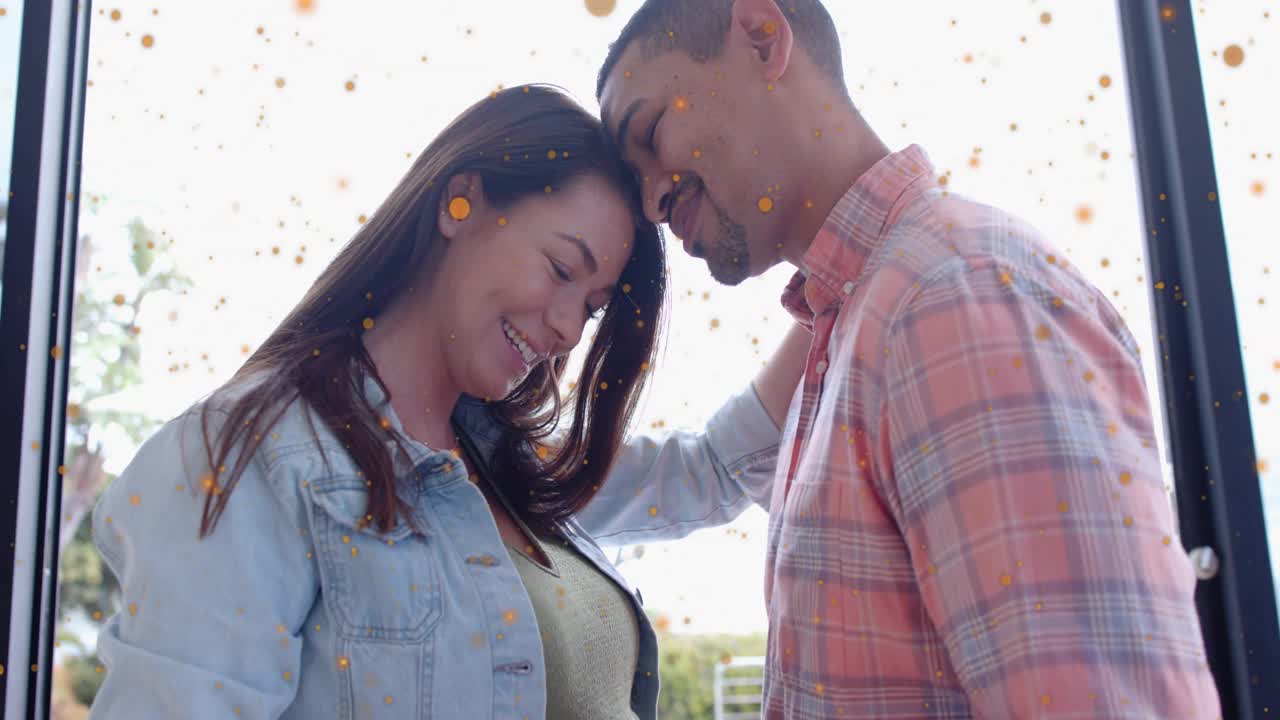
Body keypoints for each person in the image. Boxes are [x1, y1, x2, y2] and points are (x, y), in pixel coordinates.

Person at [87, 84, 810, 720]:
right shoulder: (250, 460)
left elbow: (714, 469)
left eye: (589, 309)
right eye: (561, 268)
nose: (565, 329)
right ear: (458, 203)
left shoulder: (507, 467)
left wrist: (837, 267)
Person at [596, 1, 1223, 716]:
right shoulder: (867, 320)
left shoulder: (951, 294)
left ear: (763, 35)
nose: (648, 202)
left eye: (648, 132)